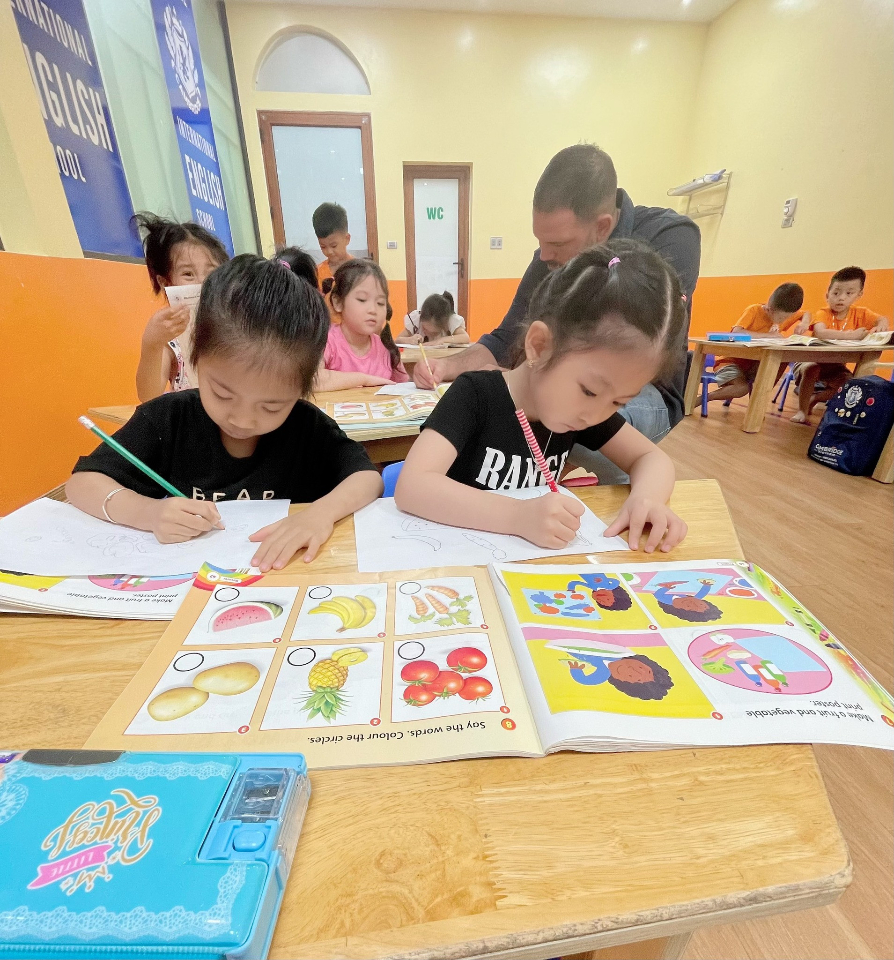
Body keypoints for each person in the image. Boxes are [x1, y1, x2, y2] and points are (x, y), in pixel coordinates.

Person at [66, 255, 383, 571]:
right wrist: (148, 513)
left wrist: (319, 514)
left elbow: (368, 478)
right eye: (222, 394)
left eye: (271, 406)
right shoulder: (168, 419)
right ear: (196, 356)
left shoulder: (306, 428)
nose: (242, 420)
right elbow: (81, 484)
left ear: (303, 387)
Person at [412, 144, 700, 484]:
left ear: (602, 227)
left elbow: (632, 361)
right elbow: (506, 336)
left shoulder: (670, 236)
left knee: (571, 419)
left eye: (558, 244)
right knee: (541, 408)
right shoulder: (550, 259)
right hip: (564, 375)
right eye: (540, 241)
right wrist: (448, 366)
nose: (544, 255)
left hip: (647, 392)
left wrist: (647, 497)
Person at [395, 241, 689, 553]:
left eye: (619, 402)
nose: (595, 415)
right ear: (539, 345)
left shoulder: (582, 411)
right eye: (589, 391)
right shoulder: (475, 394)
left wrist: (648, 498)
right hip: (457, 557)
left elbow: (651, 458)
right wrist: (517, 516)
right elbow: (413, 486)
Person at [133, 213, 229, 402]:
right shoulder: (171, 338)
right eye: (188, 274)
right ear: (165, 283)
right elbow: (148, 396)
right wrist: (152, 344)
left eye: (211, 273)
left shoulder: (235, 325)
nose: (201, 282)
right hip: (193, 419)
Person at [791, 266, 891, 424]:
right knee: (812, 368)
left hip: (835, 367)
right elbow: (820, 332)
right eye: (836, 293)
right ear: (827, 295)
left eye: (849, 293)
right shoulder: (823, 313)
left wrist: (882, 324)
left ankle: (815, 399)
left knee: (851, 383)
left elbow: (882, 319)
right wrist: (851, 335)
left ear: (859, 295)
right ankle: (802, 410)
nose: (841, 298)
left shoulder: (861, 313)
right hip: (809, 361)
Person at [316, 259, 409, 390]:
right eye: (362, 300)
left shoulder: (386, 347)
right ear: (338, 302)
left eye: (380, 303)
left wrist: (421, 378)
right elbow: (313, 381)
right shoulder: (326, 341)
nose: (373, 310)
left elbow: (404, 388)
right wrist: (364, 380)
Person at [706, 283, 804, 404]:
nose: (783, 322)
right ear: (769, 309)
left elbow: (805, 314)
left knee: (781, 360)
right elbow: (736, 332)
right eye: (780, 319)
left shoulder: (783, 313)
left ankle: (757, 401)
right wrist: (769, 336)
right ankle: (704, 399)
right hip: (728, 363)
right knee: (742, 388)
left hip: (750, 366)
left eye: (786, 318)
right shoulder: (754, 310)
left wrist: (804, 323)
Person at [397, 291, 470, 345]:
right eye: (424, 328)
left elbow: (465, 338)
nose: (425, 332)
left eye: (433, 333)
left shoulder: (450, 321)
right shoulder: (416, 320)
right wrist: (409, 340)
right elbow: (397, 340)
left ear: (443, 325)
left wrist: (442, 340)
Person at [313, 202, 353, 290]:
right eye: (323, 246)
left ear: (347, 239)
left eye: (334, 246)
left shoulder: (359, 270)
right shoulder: (317, 273)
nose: (329, 252)